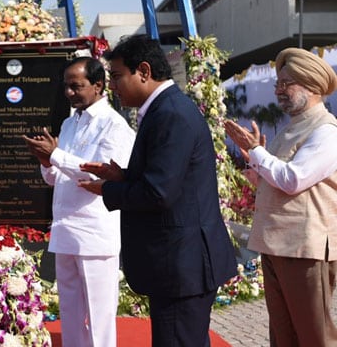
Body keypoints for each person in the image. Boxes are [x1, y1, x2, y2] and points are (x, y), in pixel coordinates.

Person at [78, 35, 236, 347]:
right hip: (179, 263)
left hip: (182, 264)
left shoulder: (171, 114)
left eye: (118, 77)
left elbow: (158, 193)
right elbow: (169, 180)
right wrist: (121, 176)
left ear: (145, 72)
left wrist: (109, 189)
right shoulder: (164, 109)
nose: (112, 87)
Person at [224, 47, 337, 346]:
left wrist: (258, 152)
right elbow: (271, 181)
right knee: (283, 335)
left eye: (286, 83)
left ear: (312, 86)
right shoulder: (291, 129)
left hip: (304, 249)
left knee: (314, 335)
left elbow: (293, 179)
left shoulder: (326, 132)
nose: (279, 90)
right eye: (278, 84)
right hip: (276, 244)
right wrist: (254, 163)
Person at [23, 57, 135, 347]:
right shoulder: (68, 123)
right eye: (66, 87)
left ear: (98, 85)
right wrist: (46, 162)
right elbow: (55, 179)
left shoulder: (114, 126)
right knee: (70, 312)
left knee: (99, 315)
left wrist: (57, 156)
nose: (69, 93)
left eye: (76, 86)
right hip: (66, 229)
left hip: (95, 233)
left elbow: (100, 174)